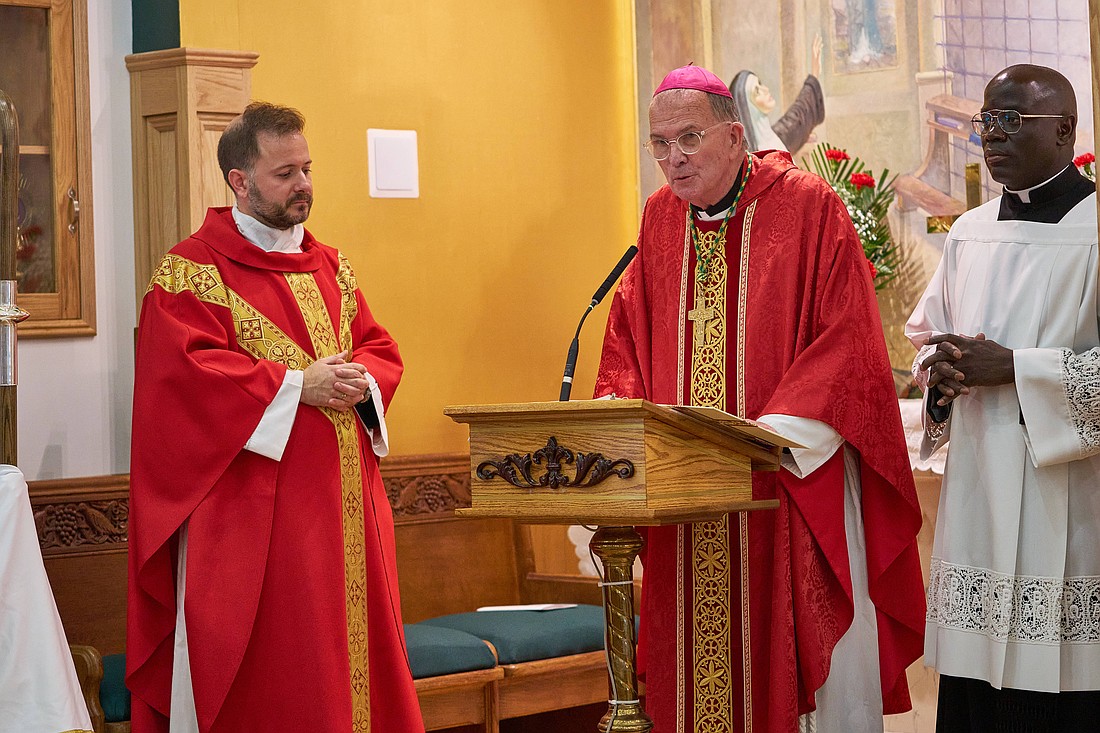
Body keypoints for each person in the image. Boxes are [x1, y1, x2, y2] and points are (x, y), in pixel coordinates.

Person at [594, 64, 924, 733]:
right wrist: (613, 423)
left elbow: (848, 342)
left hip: (785, 488)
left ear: (736, 134)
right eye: (659, 143)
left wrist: (762, 437)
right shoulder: (660, 220)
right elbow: (627, 333)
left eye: (688, 138)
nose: (672, 159)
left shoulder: (807, 207)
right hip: (686, 509)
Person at [126, 102, 424, 733]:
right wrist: (296, 385)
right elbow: (184, 387)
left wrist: (359, 379)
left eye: (308, 169)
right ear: (240, 181)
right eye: (285, 173)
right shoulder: (190, 274)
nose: (304, 186)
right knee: (283, 685)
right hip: (255, 531)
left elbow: (377, 346)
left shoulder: (332, 267)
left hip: (347, 519)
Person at [906, 64, 1100, 732]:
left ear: (1066, 130)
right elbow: (927, 343)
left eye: (1011, 120)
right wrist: (943, 374)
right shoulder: (968, 234)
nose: (991, 135)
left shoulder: (1096, 231)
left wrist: (1017, 368)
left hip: (1073, 520)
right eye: (986, 120)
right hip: (978, 511)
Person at [730, 34, 825, 153]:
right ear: (748, 108)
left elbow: (797, 115)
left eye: (760, 83)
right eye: (757, 91)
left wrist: (814, 75)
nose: (765, 89)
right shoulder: (757, 156)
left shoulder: (775, 137)